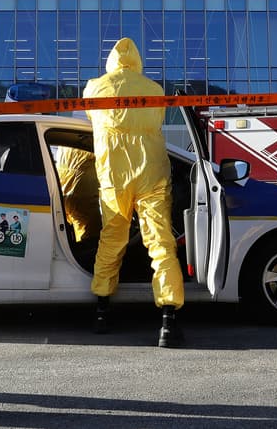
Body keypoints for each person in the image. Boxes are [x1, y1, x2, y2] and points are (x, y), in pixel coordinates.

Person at [83, 37, 185, 347]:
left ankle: (101, 310)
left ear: (111, 62)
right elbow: (155, 120)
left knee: (112, 239)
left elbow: (92, 117)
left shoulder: (94, 88)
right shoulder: (154, 90)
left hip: (114, 176)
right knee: (160, 242)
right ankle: (168, 320)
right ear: (138, 61)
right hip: (151, 173)